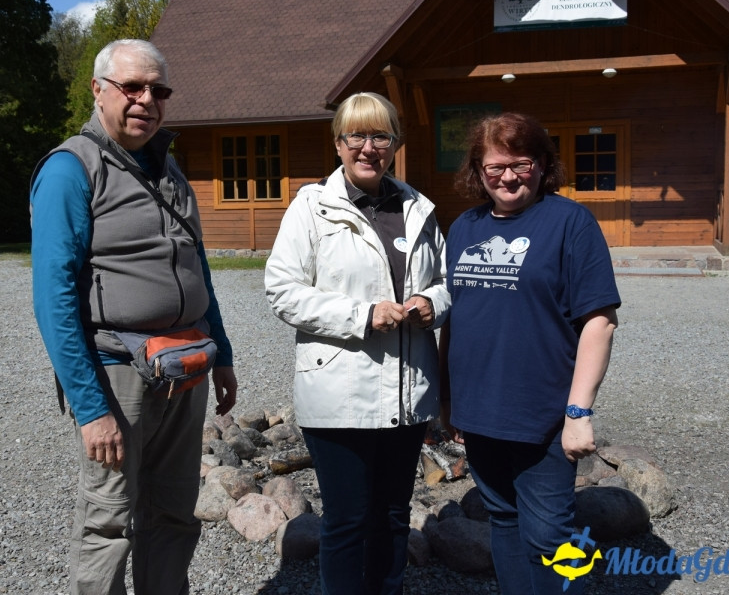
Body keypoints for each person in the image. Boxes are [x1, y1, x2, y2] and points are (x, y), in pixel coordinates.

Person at [30, 39, 237, 595]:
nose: (147, 99)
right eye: (133, 87)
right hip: (117, 373)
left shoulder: (169, 169)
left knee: (173, 512)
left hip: (186, 364)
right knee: (109, 519)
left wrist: (225, 355)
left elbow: (198, 268)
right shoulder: (71, 169)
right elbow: (53, 298)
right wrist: (91, 408)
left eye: (159, 89)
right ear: (99, 90)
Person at [265, 92, 450, 595]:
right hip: (338, 392)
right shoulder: (311, 207)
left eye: (380, 136)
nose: (368, 147)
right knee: (347, 519)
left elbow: (446, 282)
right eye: (356, 136)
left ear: (395, 143)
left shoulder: (417, 209)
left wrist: (434, 303)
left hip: (407, 391)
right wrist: (361, 315)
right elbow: (282, 292)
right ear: (338, 143)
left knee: (392, 514)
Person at [439, 113, 620, 595]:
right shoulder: (464, 227)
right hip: (478, 414)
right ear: (478, 171)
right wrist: (447, 398)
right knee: (503, 521)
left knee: (550, 536)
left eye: (521, 163)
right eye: (494, 166)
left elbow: (599, 322)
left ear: (542, 165)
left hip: (543, 416)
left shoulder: (569, 222)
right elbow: (454, 319)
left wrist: (579, 411)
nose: (508, 176)